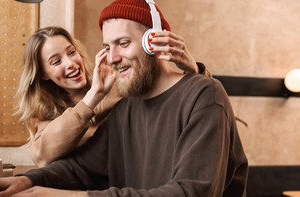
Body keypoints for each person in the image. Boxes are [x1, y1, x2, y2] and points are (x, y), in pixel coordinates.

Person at [0, 0, 248, 197]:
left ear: (154, 42)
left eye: (123, 43)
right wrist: (28, 181)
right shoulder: (127, 107)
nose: (112, 58)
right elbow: (81, 169)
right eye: (107, 47)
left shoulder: (205, 95)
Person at [16, 26, 212, 167]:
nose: (70, 63)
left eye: (71, 52)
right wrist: (92, 98)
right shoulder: (49, 117)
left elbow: (176, 95)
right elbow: (41, 156)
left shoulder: (117, 83)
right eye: (56, 61)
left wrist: (194, 69)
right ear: (43, 74)